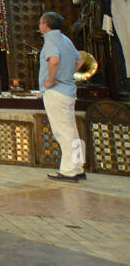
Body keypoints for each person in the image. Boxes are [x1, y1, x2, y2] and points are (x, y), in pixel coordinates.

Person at [38, 11, 84, 182]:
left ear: (45, 24)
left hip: (56, 92)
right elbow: (79, 61)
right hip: (68, 90)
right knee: (71, 130)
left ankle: (69, 171)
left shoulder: (50, 40)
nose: (40, 26)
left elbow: (54, 61)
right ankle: (78, 167)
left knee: (63, 132)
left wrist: (50, 80)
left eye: (40, 23)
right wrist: (67, 75)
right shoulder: (65, 39)